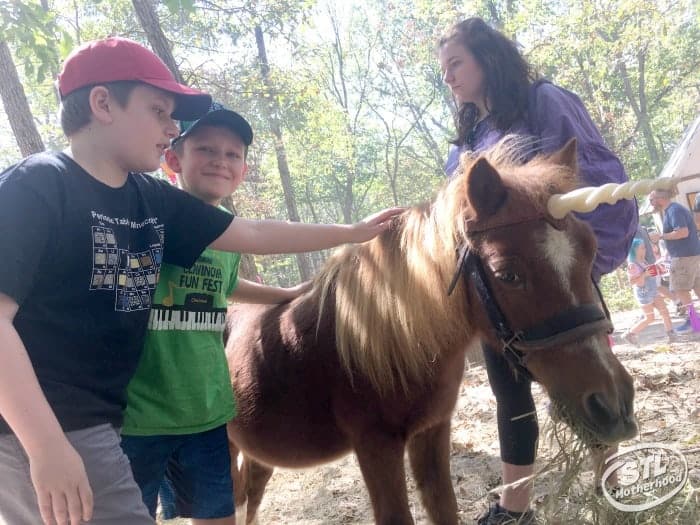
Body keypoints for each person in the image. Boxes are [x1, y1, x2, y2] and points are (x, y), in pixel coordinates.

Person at [0, 37, 401, 525]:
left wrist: (356, 232)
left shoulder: (149, 198)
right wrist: (44, 446)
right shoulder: (38, 184)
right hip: (37, 424)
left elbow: (251, 232)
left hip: (104, 418)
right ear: (103, 103)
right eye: (159, 111)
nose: (171, 128)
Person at [437, 18, 637, 524]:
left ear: (487, 57)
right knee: (509, 391)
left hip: (556, 279)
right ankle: (516, 506)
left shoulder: (543, 101)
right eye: (443, 69)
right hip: (498, 289)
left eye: (455, 63)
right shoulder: (464, 143)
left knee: (588, 374)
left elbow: (590, 175)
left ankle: (611, 485)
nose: (448, 77)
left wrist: (585, 265)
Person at [119, 102, 309, 524]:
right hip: (139, 416)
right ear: (173, 159)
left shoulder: (228, 226)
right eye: (205, 149)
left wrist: (286, 293)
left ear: (242, 169)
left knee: (217, 517)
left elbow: (226, 285)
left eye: (232, 154)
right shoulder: (152, 212)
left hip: (207, 411)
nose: (220, 161)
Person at [648, 189, 700, 333]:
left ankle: (694, 322)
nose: (650, 203)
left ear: (660, 198)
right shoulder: (673, 209)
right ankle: (695, 322)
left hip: (683, 256)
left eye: (651, 200)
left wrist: (661, 236)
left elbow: (683, 232)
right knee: (697, 287)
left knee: (680, 289)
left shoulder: (674, 211)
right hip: (691, 254)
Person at [622, 238, 676, 344]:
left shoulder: (643, 261)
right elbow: (632, 282)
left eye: (644, 247)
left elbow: (650, 274)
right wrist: (644, 274)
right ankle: (630, 334)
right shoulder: (632, 265)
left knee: (665, 312)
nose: (645, 249)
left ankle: (671, 334)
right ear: (635, 250)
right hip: (643, 293)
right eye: (642, 248)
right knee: (650, 318)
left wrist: (659, 270)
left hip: (653, 291)